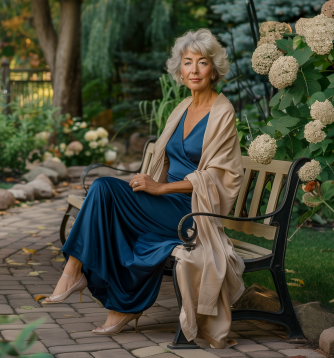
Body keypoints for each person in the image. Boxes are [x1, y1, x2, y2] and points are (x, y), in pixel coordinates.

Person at [43, 28, 245, 345]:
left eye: (202, 63)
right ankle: (83, 276)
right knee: (104, 189)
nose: (194, 70)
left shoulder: (222, 112)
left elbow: (219, 178)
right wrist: (147, 183)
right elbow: (164, 161)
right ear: (179, 68)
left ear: (214, 69)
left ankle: (85, 280)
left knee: (105, 194)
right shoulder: (182, 109)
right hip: (165, 205)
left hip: (192, 213)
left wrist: (160, 190)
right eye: (188, 62)